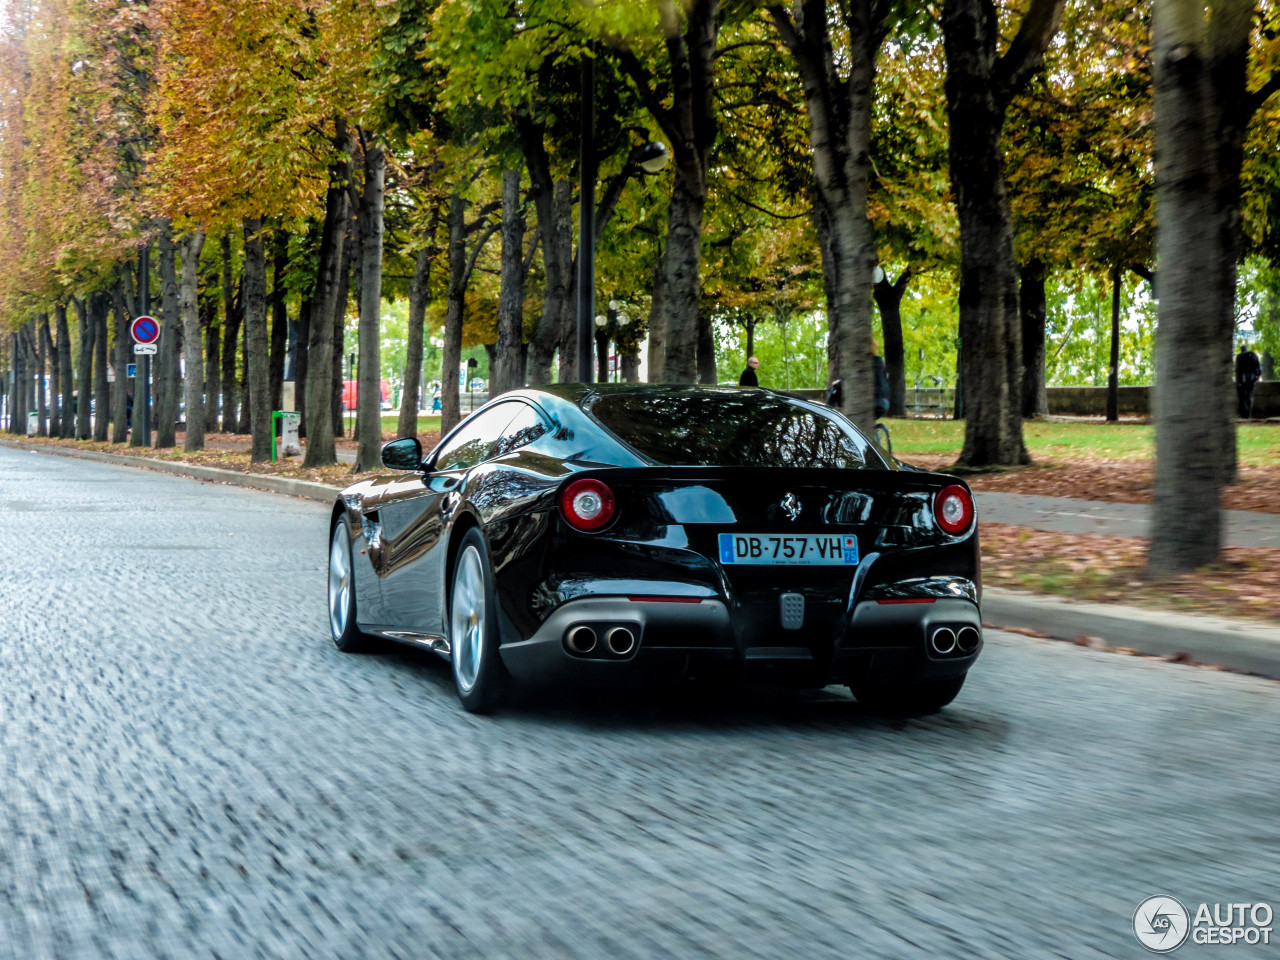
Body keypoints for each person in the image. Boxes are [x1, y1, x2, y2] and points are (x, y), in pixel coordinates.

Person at [1236, 343, 1262, 419]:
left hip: (1242, 380)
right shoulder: (1253, 355)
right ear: (1247, 349)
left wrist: (1238, 381)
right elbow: (1259, 367)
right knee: (1249, 397)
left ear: (1241, 349)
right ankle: (1248, 414)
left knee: (1242, 398)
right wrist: (1257, 377)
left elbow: (1238, 369)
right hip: (1252, 379)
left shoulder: (1239, 357)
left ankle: (1243, 414)